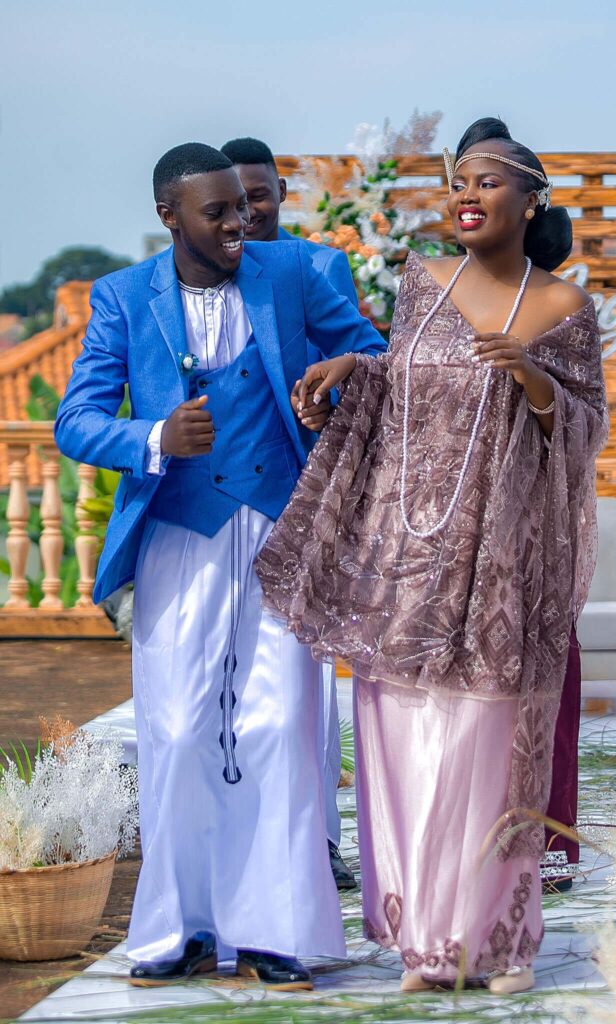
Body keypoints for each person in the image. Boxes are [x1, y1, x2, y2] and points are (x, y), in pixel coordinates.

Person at [255, 118, 609, 994]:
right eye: (459, 180)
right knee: (407, 738)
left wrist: (532, 377)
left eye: (488, 182)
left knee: (493, 744)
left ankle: (504, 944)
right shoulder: (423, 282)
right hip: (408, 553)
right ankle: (426, 945)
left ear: (530, 201)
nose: (467, 194)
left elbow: (589, 424)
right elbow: (407, 379)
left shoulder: (564, 308)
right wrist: (353, 367)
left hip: (504, 561)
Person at [54, 143, 386, 989]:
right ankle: (182, 927)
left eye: (245, 206)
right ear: (170, 216)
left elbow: (384, 367)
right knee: (176, 729)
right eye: (220, 212)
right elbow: (77, 419)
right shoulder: (126, 298)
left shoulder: (301, 272)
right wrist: (155, 439)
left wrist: (338, 379)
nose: (241, 222)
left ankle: (274, 930)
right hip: (178, 532)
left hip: (280, 526)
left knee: (278, 727)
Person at [220, 135, 356, 890]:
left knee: (308, 682)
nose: (250, 208)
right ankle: (243, 828)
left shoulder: (314, 266)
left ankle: (321, 838)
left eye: (260, 193)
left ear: (279, 192)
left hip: (307, 493)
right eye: (236, 197)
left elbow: (355, 361)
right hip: (222, 504)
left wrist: (323, 397)